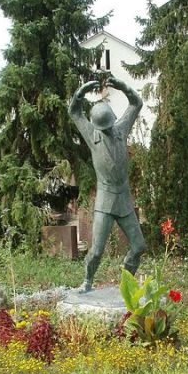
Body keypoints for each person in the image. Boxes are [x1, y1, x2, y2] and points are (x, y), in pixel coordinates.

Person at [69, 76, 146, 293]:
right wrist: (80, 92)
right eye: (103, 127)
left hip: (124, 201)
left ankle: (126, 281)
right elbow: (75, 112)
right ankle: (87, 281)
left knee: (139, 246)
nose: (107, 129)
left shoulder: (121, 129)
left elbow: (136, 104)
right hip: (104, 203)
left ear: (114, 119)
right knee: (96, 251)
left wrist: (121, 86)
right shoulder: (91, 135)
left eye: (109, 125)